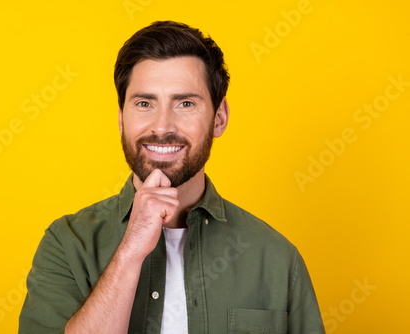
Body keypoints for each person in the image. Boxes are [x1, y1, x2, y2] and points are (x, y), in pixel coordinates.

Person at [19, 21, 325, 334]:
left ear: (219, 119)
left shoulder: (277, 258)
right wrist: (132, 248)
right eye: (144, 103)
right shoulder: (67, 244)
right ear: (122, 119)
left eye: (185, 103)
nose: (162, 126)